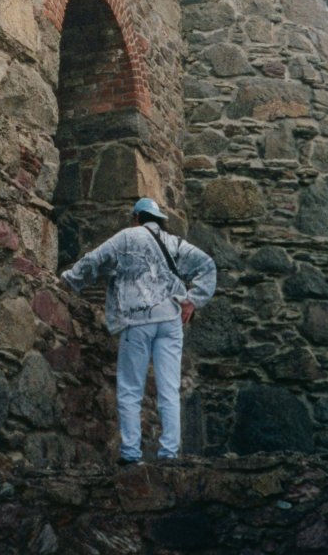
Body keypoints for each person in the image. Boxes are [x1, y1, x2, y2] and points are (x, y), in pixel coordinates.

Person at [60, 197, 216, 464]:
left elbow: (93, 260)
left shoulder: (126, 238)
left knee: (131, 389)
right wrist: (193, 299)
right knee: (169, 388)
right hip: (170, 319)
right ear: (158, 220)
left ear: (136, 217)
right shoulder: (174, 243)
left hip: (137, 321)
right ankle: (169, 453)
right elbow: (208, 266)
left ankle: (131, 454)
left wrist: (69, 280)